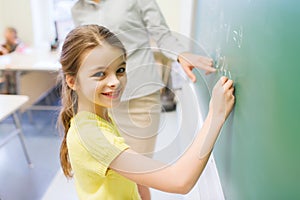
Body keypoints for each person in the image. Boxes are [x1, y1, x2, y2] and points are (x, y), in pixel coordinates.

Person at [58, 25, 235, 200]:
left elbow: (127, 178)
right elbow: (180, 181)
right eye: (100, 74)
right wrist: (215, 115)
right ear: (72, 81)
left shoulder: (97, 116)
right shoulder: (92, 136)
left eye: (120, 70)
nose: (115, 82)